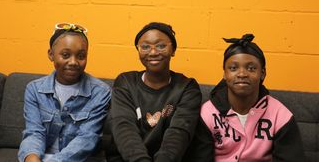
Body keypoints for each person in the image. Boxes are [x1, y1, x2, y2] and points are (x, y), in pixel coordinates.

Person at [185, 34, 306, 162]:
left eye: (251, 68)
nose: (242, 74)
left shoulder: (280, 116)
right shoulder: (207, 113)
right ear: (225, 74)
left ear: (262, 73)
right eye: (233, 68)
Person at [105, 22, 202, 162]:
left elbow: (178, 134)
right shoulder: (126, 82)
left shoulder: (187, 88)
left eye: (161, 46)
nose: (153, 52)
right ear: (138, 51)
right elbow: (124, 129)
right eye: (145, 47)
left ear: (173, 49)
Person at [18, 23, 112, 162]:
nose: (73, 62)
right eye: (65, 55)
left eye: (81, 56)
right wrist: (31, 159)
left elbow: (87, 138)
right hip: (41, 157)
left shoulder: (101, 92)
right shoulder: (34, 90)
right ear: (51, 54)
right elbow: (34, 133)